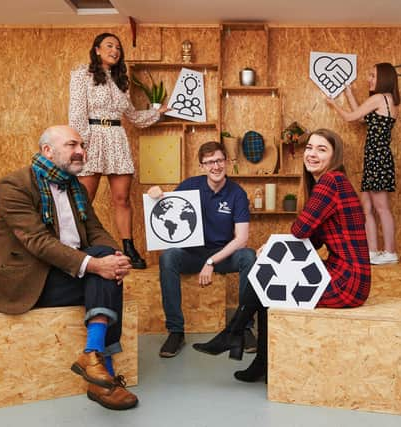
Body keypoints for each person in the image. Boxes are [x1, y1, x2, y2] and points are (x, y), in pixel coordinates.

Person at [193, 129, 371, 383]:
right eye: (309, 147)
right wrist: (274, 249)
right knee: (267, 277)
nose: (312, 153)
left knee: (269, 282)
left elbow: (300, 230)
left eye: (322, 149)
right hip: (345, 274)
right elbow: (315, 239)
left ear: (335, 156)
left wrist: (272, 248)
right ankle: (251, 352)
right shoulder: (332, 183)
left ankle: (237, 337)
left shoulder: (331, 183)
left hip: (347, 281)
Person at [0, 125, 138, 411]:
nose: (80, 151)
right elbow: (38, 242)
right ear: (47, 151)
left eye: (81, 145)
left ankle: (92, 358)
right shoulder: (13, 185)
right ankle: (104, 378)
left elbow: (95, 230)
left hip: (69, 271)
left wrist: (114, 256)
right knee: (100, 270)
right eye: (72, 145)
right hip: (33, 280)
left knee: (106, 265)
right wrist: (94, 264)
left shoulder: (74, 186)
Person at [147, 141, 257, 358]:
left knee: (249, 256)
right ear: (202, 166)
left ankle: (243, 328)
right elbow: (166, 206)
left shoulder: (237, 194)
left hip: (222, 255)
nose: (215, 166)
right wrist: (155, 194)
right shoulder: (189, 186)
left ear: (226, 161)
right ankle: (176, 331)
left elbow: (241, 239)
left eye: (218, 160)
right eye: (209, 162)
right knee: (169, 257)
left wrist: (211, 262)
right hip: (192, 254)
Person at [69, 32, 168, 270]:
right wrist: (79, 146)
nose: (115, 51)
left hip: (116, 138)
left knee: (122, 199)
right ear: (97, 50)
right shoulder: (83, 74)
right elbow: (76, 112)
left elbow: (133, 116)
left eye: (118, 48)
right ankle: (76, 247)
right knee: (84, 200)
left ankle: (129, 247)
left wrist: (159, 111)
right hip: (92, 137)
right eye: (109, 46)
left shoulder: (120, 80)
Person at [326, 62, 400, 265]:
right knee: (366, 206)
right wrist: (349, 92)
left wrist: (333, 104)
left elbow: (351, 117)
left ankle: (390, 252)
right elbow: (360, 119)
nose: (369, 79)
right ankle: (373, 251)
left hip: (377, 159)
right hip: (375, 159)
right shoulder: (387, 100)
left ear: (384, 78)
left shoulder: (379, 98)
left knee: (382, 208)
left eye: (373, 76)